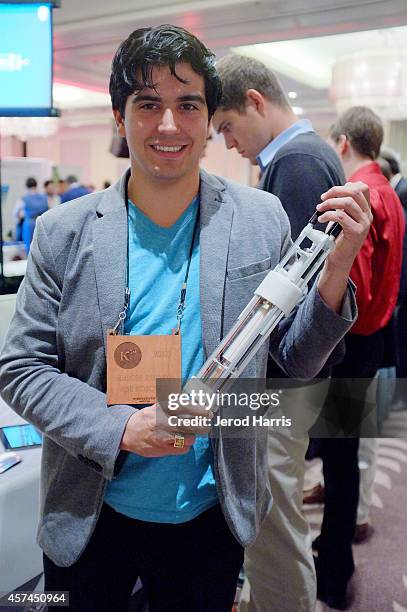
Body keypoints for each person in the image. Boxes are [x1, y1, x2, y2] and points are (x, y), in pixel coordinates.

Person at [0, 25, 370, 612]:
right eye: (148, 105)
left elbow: (290, 358)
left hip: (212, 509)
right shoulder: (63, 232)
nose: (169, 125)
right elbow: (22, 368)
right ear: (120, 119)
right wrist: (122, 427)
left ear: (207, 118)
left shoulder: (260, 217)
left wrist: (337, 266)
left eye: (188, 105)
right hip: (90, 511)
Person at [212, 53, 345, 612]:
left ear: (255, 103)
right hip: (295, 373)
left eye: (226, 126)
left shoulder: (295, 163)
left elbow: (287, 290)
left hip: (284, 378)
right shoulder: (308, 155)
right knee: (273, 509)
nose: (226, 142)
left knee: (271, 516)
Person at [307, 106, 404, 609]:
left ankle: (334, 573)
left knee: (342, 461)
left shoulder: (362, 193)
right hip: (371, 339)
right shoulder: (387, 190)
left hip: (350, 345)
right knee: (346, 459)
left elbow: (354, 284)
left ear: (343, 143)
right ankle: (335, 562)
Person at [13, 177, 49, 255]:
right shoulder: (44, 197)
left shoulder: (24, 198)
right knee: (42, 246)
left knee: (30, 247)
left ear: (26, 186)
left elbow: (16, 213)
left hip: (30, 223)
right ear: (36, 185)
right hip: (43, 223)